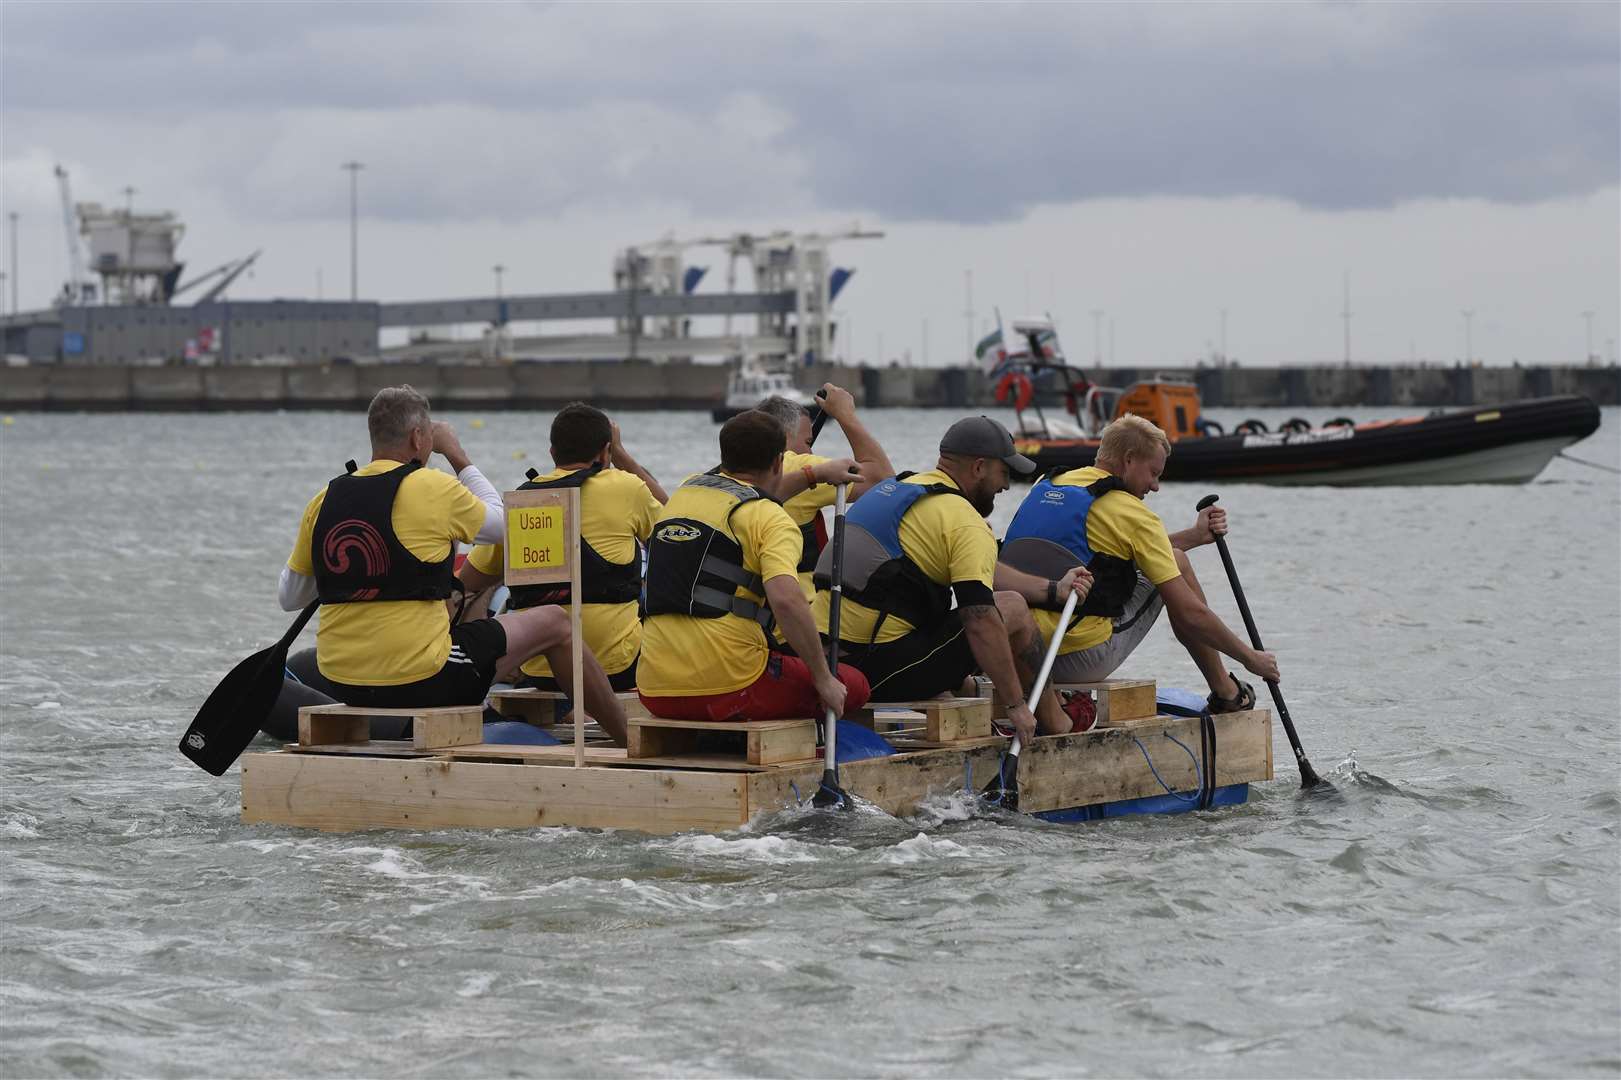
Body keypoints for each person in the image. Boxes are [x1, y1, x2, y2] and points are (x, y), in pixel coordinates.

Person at [277, 385, 628, 744]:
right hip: (420, 679)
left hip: (341, 680)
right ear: (418, 438)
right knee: (555, 621)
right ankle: (626, 741)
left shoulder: (324, 498)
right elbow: (504, 521)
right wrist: (458, 456)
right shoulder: (432, 486)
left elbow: (290, 597)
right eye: (430, 436)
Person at [813, 416, 1090, 749]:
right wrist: (1016, 706)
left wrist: (1052, 589)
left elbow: (983, 570)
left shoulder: (899, 489)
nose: (1006, 486)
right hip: (872, 670)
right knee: (1012, 608)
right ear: (978, 468)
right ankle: (1057, 721)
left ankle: (971, 689)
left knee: (993, 607)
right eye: (1005, 473)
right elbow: (980, 619)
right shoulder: (964, 522)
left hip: (826, 659)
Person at [996, 413, 1280, 718]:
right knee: (1177, 562)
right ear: (1129, 460)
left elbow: (1107, 554)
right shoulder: (1133, 513)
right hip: (1075, 658)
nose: (1155, 486)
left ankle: (1225, 690)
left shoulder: (1047, 484)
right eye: (1153, 473)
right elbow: (1191, 613)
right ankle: (1227, 692)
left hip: (1011, 650)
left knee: (1169, 556)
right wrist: (1250, 658)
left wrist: (1195, 536)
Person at [636, 410, 870, 723]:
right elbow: (786, 600)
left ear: (724, 456)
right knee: (854, 683)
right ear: (778, 462)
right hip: (734, 688)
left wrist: (815, 475)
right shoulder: (772, 519)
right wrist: (823, 679)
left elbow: (745, 493)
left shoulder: (685, 492)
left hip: (654, 690)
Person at [455, 402, 665, 693]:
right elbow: (673, 528)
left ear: (552, 453)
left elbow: (468, 581)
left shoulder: (523, 501)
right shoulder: (628, 487)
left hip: (541, 669)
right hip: (616, 667)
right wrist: (623, 457)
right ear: (606, 452)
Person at [754, 384, 894, 596]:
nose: (810, 450)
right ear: (782, 437)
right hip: (798, 611)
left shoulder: (735, 468)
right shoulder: (797, 465)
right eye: (807, 442)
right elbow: (882, 481)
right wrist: (845, 415)